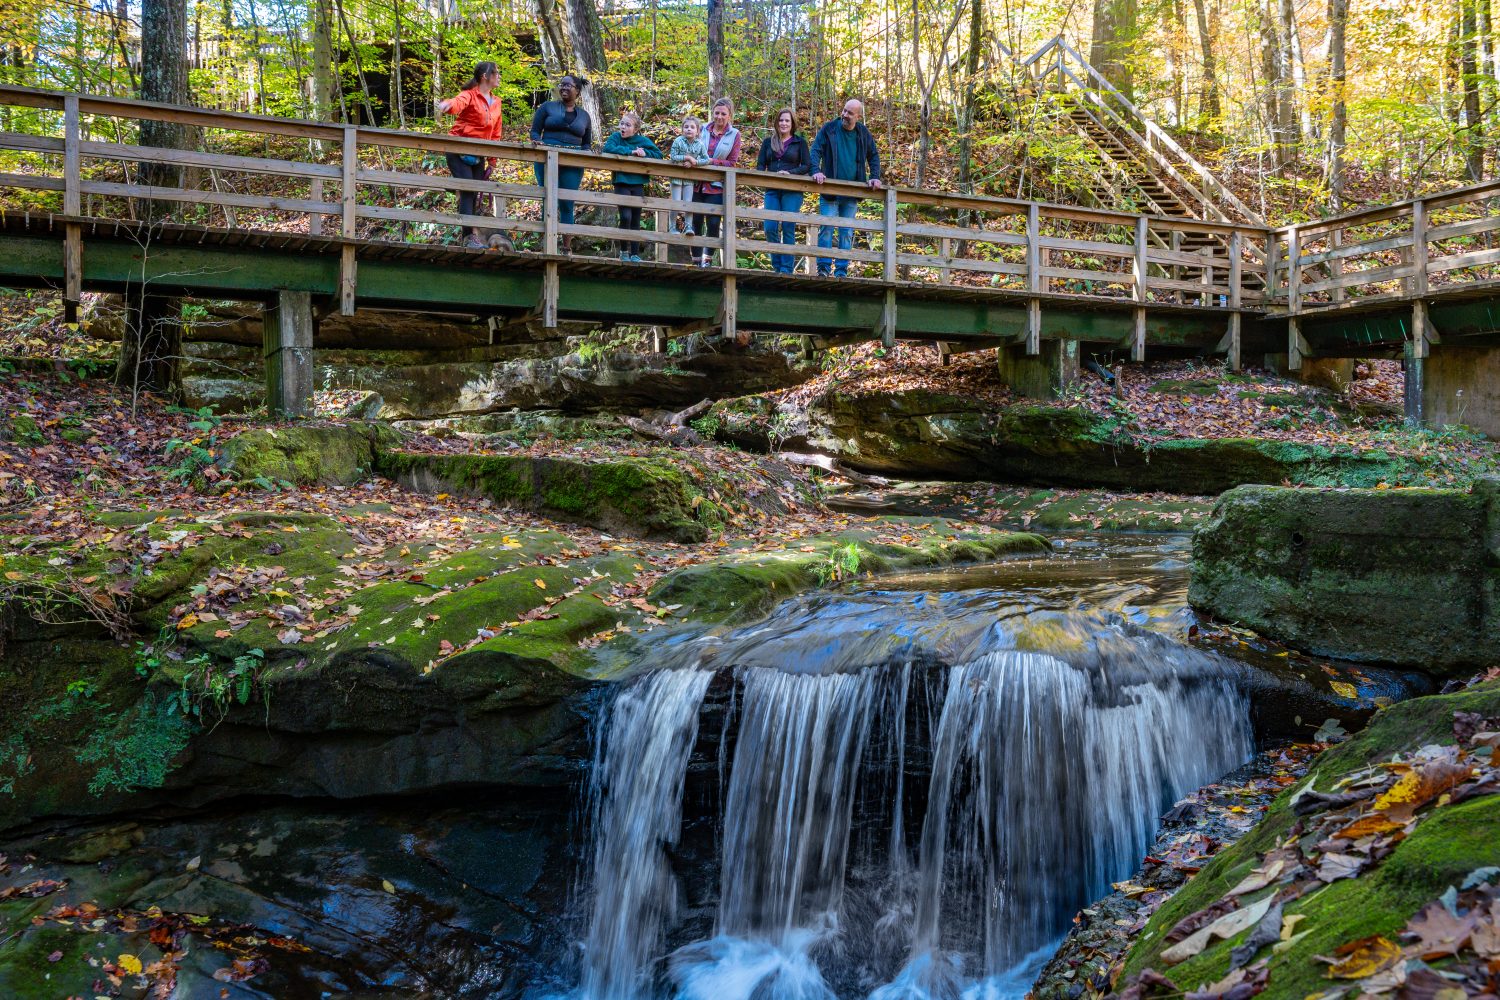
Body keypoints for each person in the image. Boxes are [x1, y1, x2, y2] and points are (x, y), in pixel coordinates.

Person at [809, 98, 883, 277]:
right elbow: (816, 150)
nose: (844, 115)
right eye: (844, 110)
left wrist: (874, 177)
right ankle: (823, 269)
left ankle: (841, 271)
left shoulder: (862, 133)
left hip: (852, 192)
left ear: (858, 116)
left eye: (850, 113)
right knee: (826, 228)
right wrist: (816, 171)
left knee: (847, 232)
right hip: (830, 190)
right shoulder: (830, 129)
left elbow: (873, 155)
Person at [437, 61, 504, 250]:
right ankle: (468, 238)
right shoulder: (470, 95)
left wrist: (492, 161)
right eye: (496, 73)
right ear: (486, 76)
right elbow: (457, 103)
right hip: (458, 149)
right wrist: (447, 105)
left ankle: (469, 235)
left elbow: (496, 132)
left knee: (473, 194)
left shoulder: (497, 101)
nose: (498, 76)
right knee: (468, 191)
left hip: (479, 153)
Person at [529, 73, 593, 252]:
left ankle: (566, 247)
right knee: (547, 198)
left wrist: (586, 152)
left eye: (568, 85)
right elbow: (535, 131)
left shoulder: (585, 116)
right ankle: (546, 244)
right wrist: (537, 140)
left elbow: (587, 142)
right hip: (546, 158)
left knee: (567, 202)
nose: (563, 88)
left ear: (577, 91)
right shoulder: (547, 107)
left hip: (572, 163)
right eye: (561, 85)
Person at [755, 107, 811, 274]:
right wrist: (765, 177)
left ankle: (786, 269)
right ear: (776, 123)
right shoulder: (768, 142)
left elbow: (807, 166)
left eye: (787, 120)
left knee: (788, 226)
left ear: (792, 123)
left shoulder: (799, 143)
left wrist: (790, 173)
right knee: (770, 227)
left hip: (792, 191)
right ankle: (777, 265)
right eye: (781, 120)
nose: (784, 123)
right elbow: (760, 165)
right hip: (772, 190)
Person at [602, 111, 663, 262]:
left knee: (635, 218)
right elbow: (608, 149)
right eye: (622, 123)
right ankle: (623, 251)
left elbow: (658, 155)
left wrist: (644, 153)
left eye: (627, 125)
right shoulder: (616, 137)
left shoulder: (641, 140)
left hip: (637, 183)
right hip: (621, 181)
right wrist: (630, 152)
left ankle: (634, 254)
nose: (623, 127)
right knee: (625, 216)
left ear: (635, 129)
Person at [692, 97, 742, 268]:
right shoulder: (702, 129)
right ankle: (696, 259)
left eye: (723, 114)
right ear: (713, 113)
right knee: (695, 221)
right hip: (697, 183)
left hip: (716, 185)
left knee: (713, 223)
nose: (719, 117)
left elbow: (732, 162)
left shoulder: (734, 134)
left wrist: (712, 162)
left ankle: (707, 258)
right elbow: (691, 147)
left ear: (729, 115)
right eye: (717, 113)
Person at [668, 115, 708, 236]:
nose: (689, 129)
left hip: (689, 178)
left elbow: (706, 159)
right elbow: (673, 156)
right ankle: (672, 226)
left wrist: (695, 163)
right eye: (686, 127)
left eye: (692, 127)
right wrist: (687, 157)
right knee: (676, 202)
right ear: (682, 129)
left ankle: (688, 226)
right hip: (676, 176)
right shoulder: (678, 141)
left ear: (697, 131)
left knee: (688, 202)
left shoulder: (700, 144)